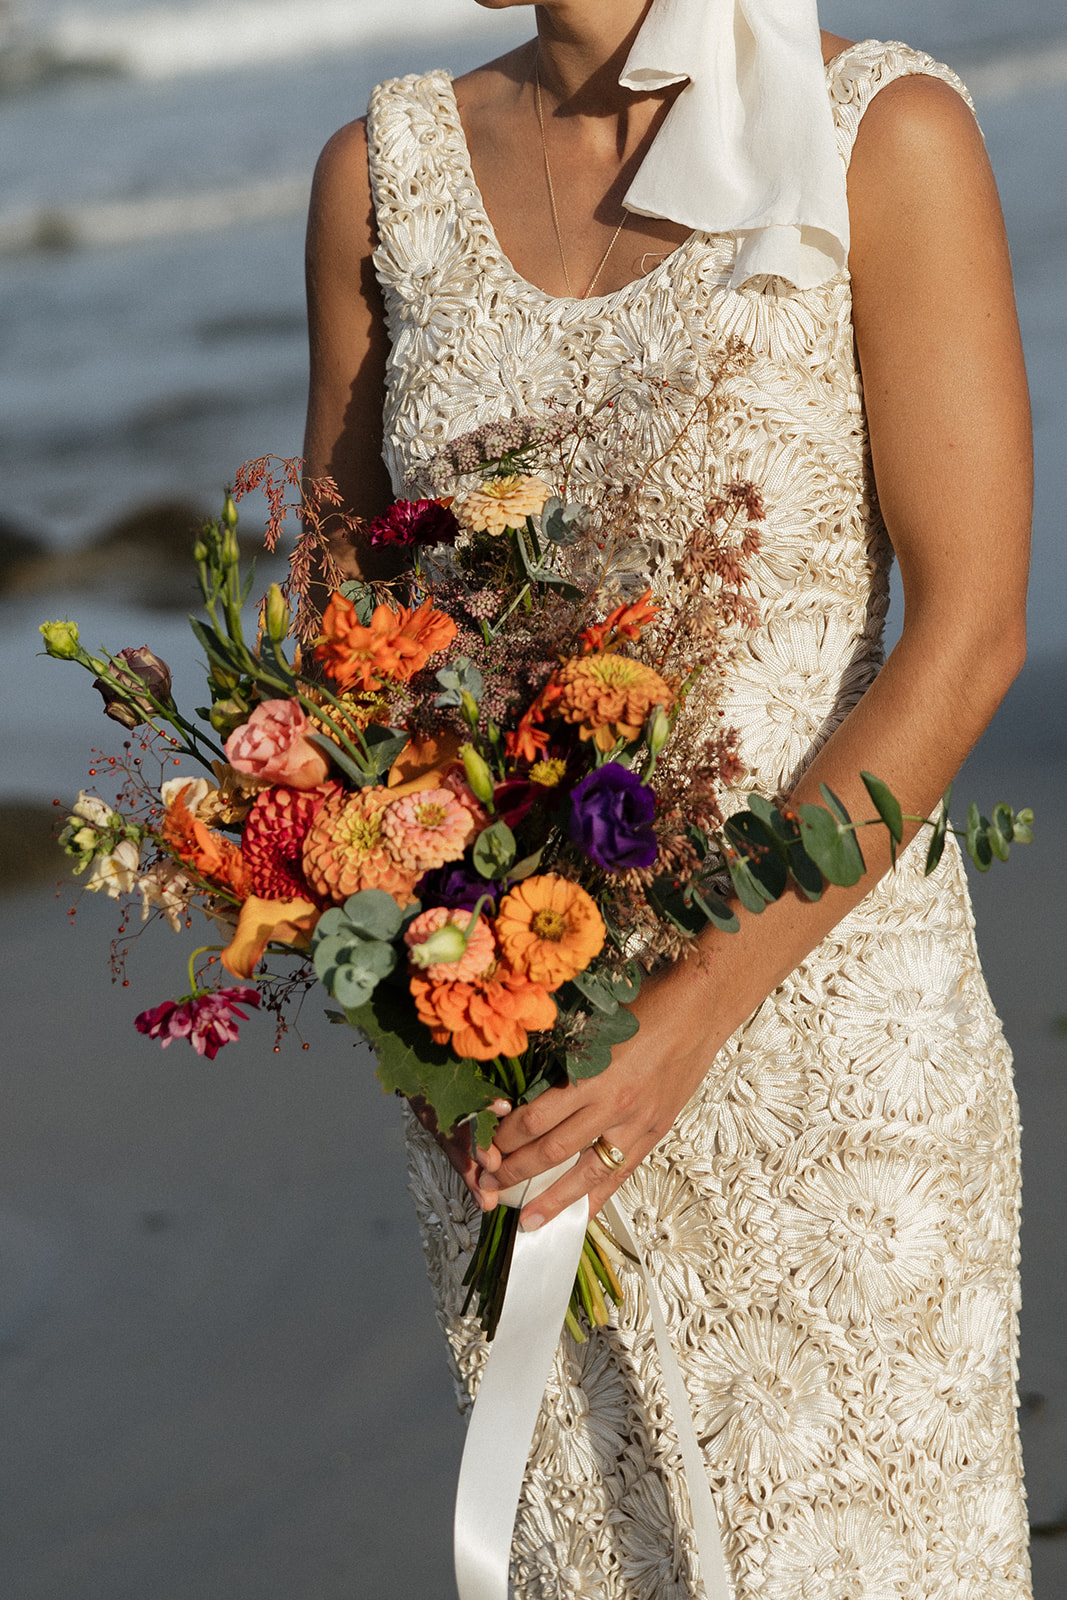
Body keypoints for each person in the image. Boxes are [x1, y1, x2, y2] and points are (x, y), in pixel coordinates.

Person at [303, 1, 1033, 1594]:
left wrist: (692, 1009)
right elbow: (345, 653)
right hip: (528, 1089)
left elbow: (969, 636)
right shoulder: (385, 172)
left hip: (827, 1072)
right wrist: (440, 1002)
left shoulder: (878, 136)